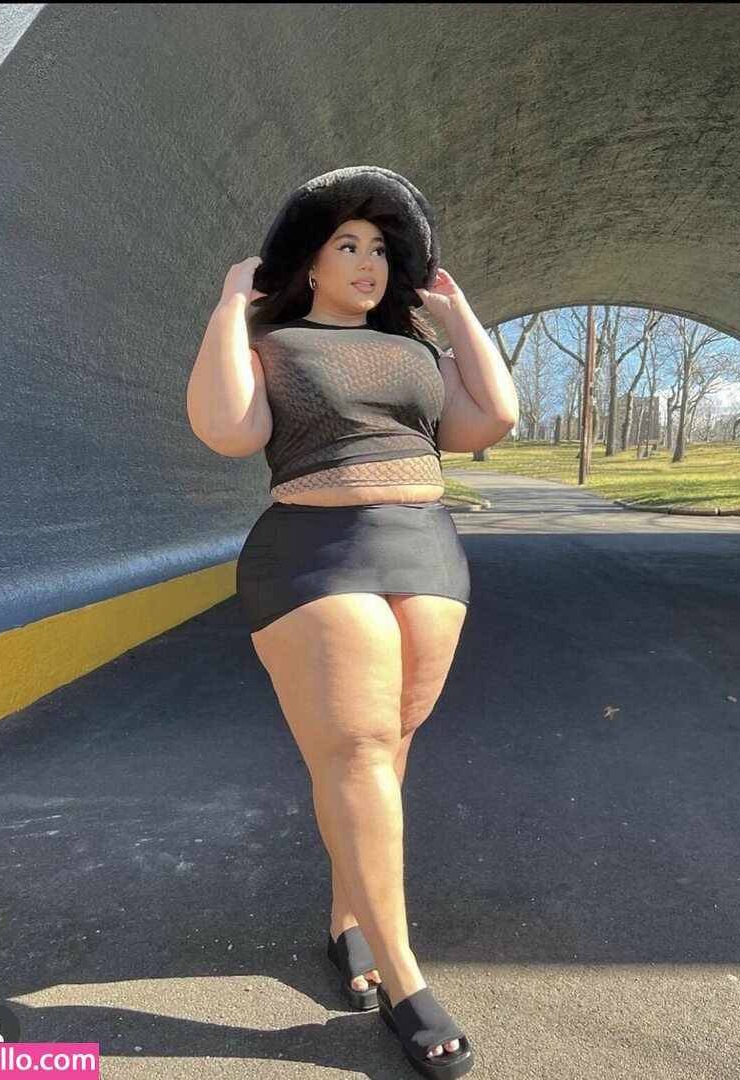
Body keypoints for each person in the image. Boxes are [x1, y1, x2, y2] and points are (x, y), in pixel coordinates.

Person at [186, 166, 518, 1078]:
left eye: (378, 247)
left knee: (390, 746)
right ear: (311, 261)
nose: (367, 261)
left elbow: (489, 419)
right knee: (361, 750)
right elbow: (227, 429)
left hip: (424, 548)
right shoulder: (275, 340)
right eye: (347, 245)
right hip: (314, 550)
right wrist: (230, 306)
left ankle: (347, 925)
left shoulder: (412, 349)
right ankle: (405, 978)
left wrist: (457, 318)